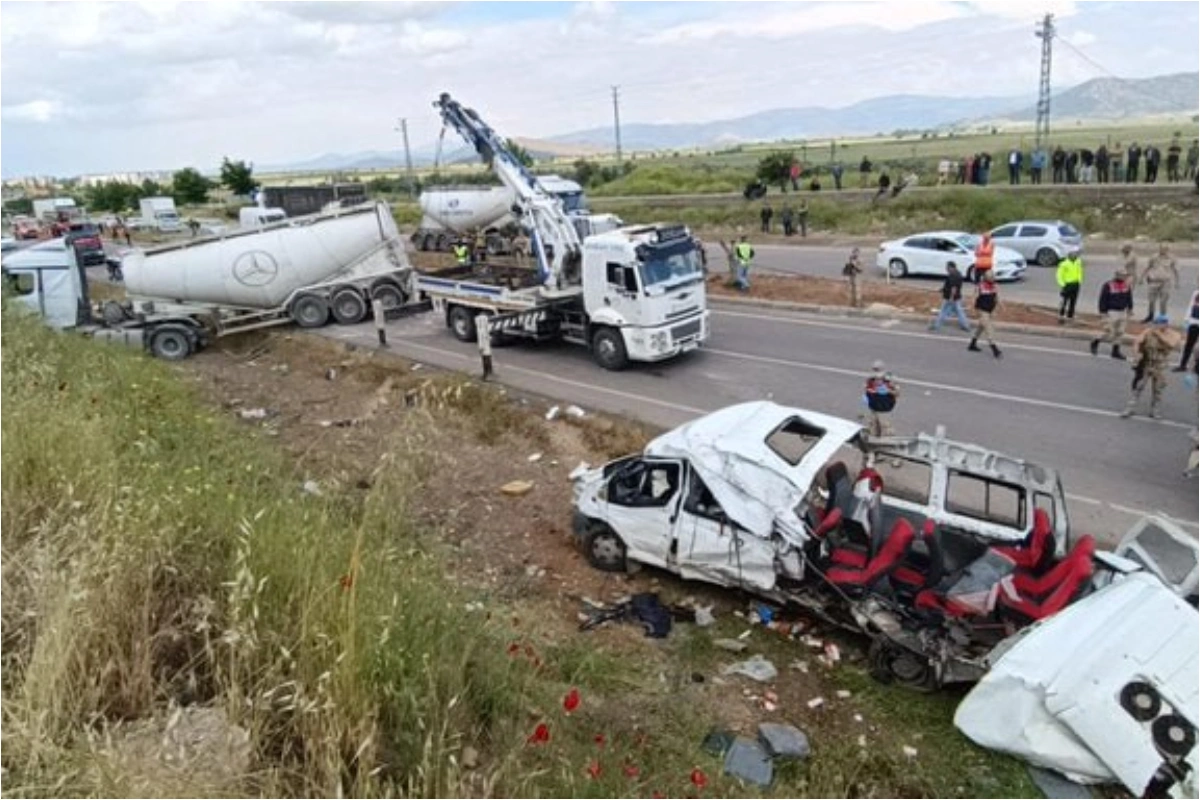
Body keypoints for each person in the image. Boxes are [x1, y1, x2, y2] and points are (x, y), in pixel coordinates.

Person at [1121, 315, 1178, 419]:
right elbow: (1138, 341)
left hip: (1159, 365)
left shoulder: (1173, 334)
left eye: (1159, 323)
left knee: (1157, 389)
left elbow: (1171, 344)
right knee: (1139, 386)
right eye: (1156, 323)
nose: (1156, 325)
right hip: (1148, 363)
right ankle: (1130, 407)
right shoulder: (1148, 332)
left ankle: (1155, 409)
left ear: (1166, 324)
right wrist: (1137, 353)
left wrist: (1158, 334)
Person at [1091, 268, 1134, 359]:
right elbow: (1103, 299)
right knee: (1109, 332)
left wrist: (1130, 308)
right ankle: (1096, 341)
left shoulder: (1126, 285)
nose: (1124, 277)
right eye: (1122, 275)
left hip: (1122, 312)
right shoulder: (1108, 285)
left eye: (1125, 275)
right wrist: (1103, 312)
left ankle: (1115, 351)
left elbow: (1129, 297)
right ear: (1117, 275)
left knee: (1120, 332)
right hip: (1111, 312)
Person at [1139, 241, 1180, 322]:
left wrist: (1177, 282)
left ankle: (1162, 317)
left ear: (1168, 249)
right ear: (1159, 248)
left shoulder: (1172, 258)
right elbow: (1146, 267)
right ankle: (1150, 315)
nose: (1163, 250)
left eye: (1166, 249)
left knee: (1163, 301)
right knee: (1151, 300)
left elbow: (1176, 270)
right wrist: (1141, 278)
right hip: (1153, 281)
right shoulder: (1153, 257)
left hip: (1165, 282)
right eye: (1162, 248)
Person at [929, 261, 972, 332]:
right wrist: (942, 289)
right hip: (956, 297)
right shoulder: (958, 273)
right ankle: (965, 326)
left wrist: (951, 298)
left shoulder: (953, 275)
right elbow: (950, 286)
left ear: (950, 267)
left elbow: (953, 288)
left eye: (947, 267)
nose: (946, 269)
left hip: (950, 297)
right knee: (959, 311)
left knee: (943, 311)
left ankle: (936, 326)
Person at [967, 275, 1003, 359]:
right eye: (991, 278)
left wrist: (1000, 305)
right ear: (986, 278)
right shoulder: (980, 286)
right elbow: (974, 297)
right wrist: (972, 307)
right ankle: (995, 349)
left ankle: (972, 344)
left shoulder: (994, 285)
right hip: (982, 310)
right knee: (988, 329)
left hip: (990, 310)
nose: (993, 279)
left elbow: (996, 297)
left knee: (981, 327)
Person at [861, 361, 899, 439]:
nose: (876, 371)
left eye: (877, 369)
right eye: (874, 369)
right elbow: (866, 389)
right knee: (872, 426)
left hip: (884, 410)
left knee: (885, 428)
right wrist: (865, 397)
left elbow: (897, 393)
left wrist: (888, 391)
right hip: (873, 408)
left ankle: (886, 443)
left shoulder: (889, 380)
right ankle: (874, 442)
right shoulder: (870, 379)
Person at [1056, 248, 1084, 324]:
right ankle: (1061, 316)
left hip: (1075, 284)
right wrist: (1063, 284)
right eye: (1073, 254)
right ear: (1069, 255)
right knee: (1064, 302)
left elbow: (1079, 271)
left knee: (1073, 302)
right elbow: (1059, 275)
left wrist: (1079, 280)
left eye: (1076, 254)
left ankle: (1070, 317)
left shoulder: (1078, 262)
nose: (1075, 255)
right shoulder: (1064, 264)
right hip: (1067, 284)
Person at [1174, 290, 1199, 372]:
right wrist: (1187, 319)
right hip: (1194, 323)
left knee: (1197, 348)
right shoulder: (1196, 293)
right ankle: (1183, 365)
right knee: (1189, 345)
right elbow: (1191, 306)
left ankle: (1197, 366)